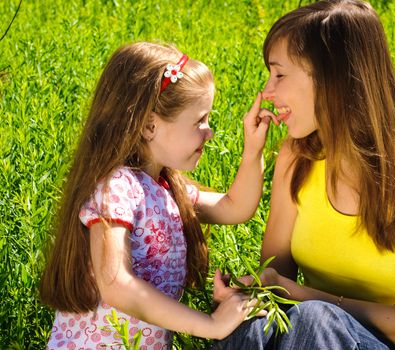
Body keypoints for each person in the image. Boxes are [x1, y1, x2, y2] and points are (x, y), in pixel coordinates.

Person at [214, 0, 395, 349]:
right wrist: (244, 294)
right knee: (251, 325)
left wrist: (297, 294)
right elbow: (274, 285)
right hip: (310, 337)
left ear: (332, 76)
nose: (267, 93)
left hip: (384, 343)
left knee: (315, 319)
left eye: (279, 74)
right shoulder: (296, 155)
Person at [39, 41, 273, 349]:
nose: (209, 131)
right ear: (150, 126)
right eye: (199, 121)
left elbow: (234, 207)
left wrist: (253, 149)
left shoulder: (166, 189)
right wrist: (211, 325)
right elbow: (116, 284)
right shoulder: (118, 187)